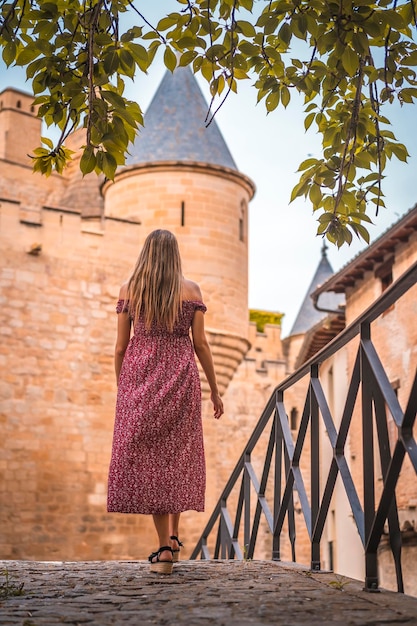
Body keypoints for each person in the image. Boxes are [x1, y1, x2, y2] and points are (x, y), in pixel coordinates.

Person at [107, 229, 224, 574]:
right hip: (181, 376)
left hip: (141, 377)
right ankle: (172, 537)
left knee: (153, 461)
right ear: (175, 255)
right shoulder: (191, 291)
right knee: (177, 454)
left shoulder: (130, 290)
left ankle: (164, 549)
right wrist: (215, 390)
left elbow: (119, 347)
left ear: (146, 254)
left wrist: (123, 388)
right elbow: (201, 344)